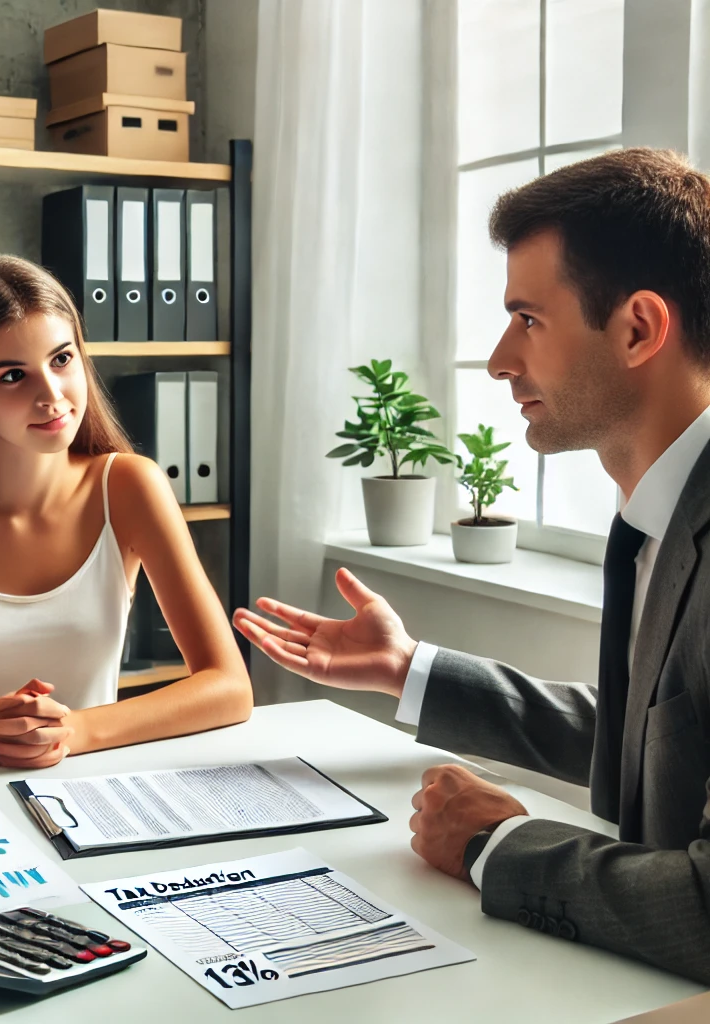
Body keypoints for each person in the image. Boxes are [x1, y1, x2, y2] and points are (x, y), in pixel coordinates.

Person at [234, 148, 710, 984]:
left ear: (638, 328)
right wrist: (410, 670)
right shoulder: (658, 517)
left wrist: (497, 844)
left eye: (528, 320)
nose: (498, 359)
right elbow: (656, 738)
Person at [0, 255, 251, 769]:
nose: (51, 397)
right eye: (13, 376)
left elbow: (229, 687)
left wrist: (72, 731)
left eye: (61, 359)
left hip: (95, 793)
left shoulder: (129, 487)